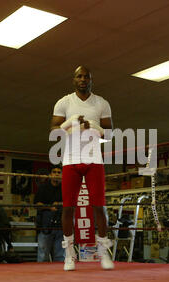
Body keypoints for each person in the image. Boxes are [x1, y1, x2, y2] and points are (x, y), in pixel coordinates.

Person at [50, 66, 114, 271]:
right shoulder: (64, 102)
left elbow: (110, 134)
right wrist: (68, 123)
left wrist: (95, 127)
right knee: (68, 207)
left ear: (91, 80)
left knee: (99, 206)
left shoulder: (102, 103)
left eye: (86, 76)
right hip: (70, 160)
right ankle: (69, 254)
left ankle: (103, 252)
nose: (83, 79)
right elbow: (53, 131)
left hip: (94, 159)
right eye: (79, 76)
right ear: (74, 79)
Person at [35, 165, 64, 262]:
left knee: (60, 255)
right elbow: (37, 204)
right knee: (43, 254)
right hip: (45, 224)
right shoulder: (43, 188)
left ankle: (61, 277)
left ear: (62, 175)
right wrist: (49, 207)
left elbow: (72, 203)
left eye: (59, 172)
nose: (56, 174)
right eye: (54, 172)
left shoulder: (65, 188)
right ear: (50, 174)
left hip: (61, 224)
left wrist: (59, 204)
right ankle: (41, 276)